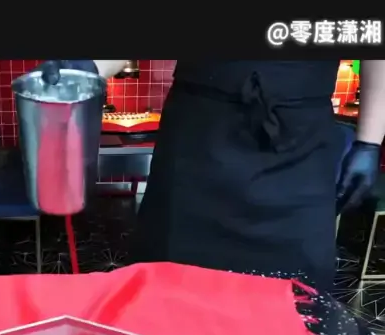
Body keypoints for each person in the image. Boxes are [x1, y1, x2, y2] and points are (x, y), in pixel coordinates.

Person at [38, 60, 385, 292]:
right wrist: (85, 67)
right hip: (196, 146)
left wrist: (370, 141)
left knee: (294, 300)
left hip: (298, 149)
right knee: (170, 293)